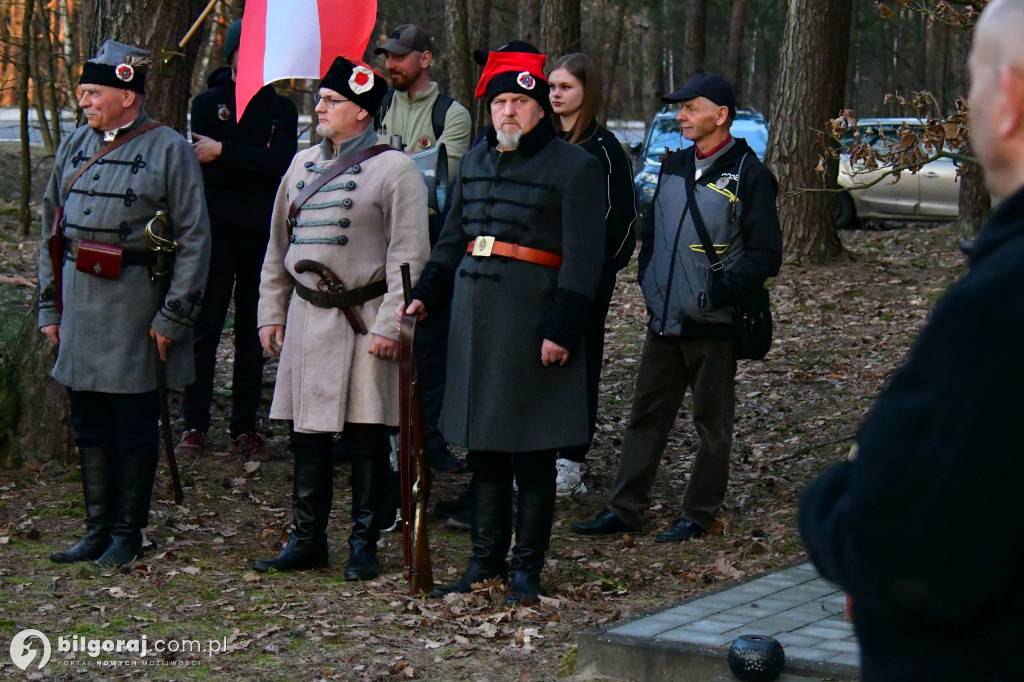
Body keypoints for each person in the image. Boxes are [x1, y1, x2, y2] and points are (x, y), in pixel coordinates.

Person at [799, 1, 1024, 677]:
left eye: (973, 79)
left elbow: (906, 550)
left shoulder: (1001, 306)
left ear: (1009, 98)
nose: (969, 100)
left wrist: (830, 504)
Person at [403, 41, 606, 605]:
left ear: (541, 108)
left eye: (519, 101)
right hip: (475, 317)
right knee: (485, 451)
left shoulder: (576, 167)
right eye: (499, 103)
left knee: (533, 454)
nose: (507, 112)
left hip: (535, 320)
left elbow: (585, 261)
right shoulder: (474, 160)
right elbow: (451, 241)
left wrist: (562, 329)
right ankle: (485, 561)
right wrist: (426, 297)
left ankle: (525, 571)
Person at [571, 74, 781, 542]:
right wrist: (649, 282)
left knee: (712, 425)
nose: (680, 116)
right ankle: (624, 509)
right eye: (680, 108)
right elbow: (651, 235)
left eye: (690, 108)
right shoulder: (673, 165)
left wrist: (720, 293)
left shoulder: (750, 174)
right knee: (645, 416)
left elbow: (766, 255)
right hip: (663, 320)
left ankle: (698, 514)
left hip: (714, 323)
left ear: (720, 115)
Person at [252, 56, 429, 581]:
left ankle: (364, 543)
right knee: (307, 435)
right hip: (309, 317)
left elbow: (410, 256)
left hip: (364, 318)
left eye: (332, 102)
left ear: (361, 112)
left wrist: (390, 326)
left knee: (366, 437)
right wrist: (270, 312)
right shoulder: (302, 163)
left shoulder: (395, 169)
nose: (321, 108)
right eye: (322, 100)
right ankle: (307, 539)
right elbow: (276, 248)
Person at [38, 40, 211, 567]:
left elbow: (195, 237)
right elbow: (51, 230)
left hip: (137, 304)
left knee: (133, 422)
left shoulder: (169, 149)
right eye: (83, 93)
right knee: (89, 419)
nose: (84, 102)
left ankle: (127, 532)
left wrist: (174, 316)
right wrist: (51, 308)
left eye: (93, 93)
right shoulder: (74, 144)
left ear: (127, 96)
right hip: (80, 301)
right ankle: (96, 529)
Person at [176, 19, 298, 460]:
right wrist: (248, 160)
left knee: (253, 333)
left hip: (262, 236)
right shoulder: (208, 104)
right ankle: (194, 424)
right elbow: (204, 162)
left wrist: (225, 151)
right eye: (246, 54)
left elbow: (279, 162)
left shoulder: (280, 110)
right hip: (215, 233)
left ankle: (245, 426)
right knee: (205, 330)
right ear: (231, 57)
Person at [374, 23, 472, 475]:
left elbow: (440, 186)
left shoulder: (451, 114)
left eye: (399, 56)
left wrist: (389, 170)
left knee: (427, 348)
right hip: (376, 241)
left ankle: (427, 439)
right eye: (387, 56)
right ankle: (377, 436)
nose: (390, 65)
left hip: (429, 244)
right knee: (377, 338)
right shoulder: (376, 105)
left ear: (425, 59)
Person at [548, 52, 637, 497]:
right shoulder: (541, 142)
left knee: (580, 364)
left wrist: (598, 273)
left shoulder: (605, 151)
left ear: (587, 91)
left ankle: (570, 462)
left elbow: (622, 221)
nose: (556, 95)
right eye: (552, 87)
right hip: (540, 277)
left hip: (587, 281)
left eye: (566, 87)